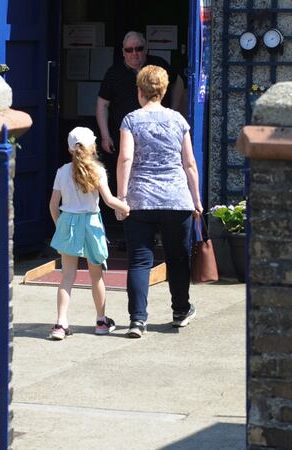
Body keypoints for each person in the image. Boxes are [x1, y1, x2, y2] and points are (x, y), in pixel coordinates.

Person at [116, 65, 203, 338]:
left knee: (140, 261)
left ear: (140, 90)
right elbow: (189, 163)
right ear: (164, 91)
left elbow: (126, 158)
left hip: (140, 199)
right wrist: (197, 200)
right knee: (178, 258)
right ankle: (180, 311)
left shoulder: (131, 120)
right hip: (176, 198)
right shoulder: (178, 121)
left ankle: (137, 321)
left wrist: (121, 197)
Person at [48, 127, 130, 340]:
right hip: (92, 223)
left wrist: (60, 226)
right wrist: (125, 208)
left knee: (67, 276)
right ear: (93, 147)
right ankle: (101, 321)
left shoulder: (62, 171)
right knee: (96, 277)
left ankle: (60, 323)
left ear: (69, 148)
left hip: (68, 221)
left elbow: (53, 205)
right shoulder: (98, 170)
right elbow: (109, 200)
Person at [96, 31, 185, 206]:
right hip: (124, 134)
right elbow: (102, 105)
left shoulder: (158, 65)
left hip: (158, 134)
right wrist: (105, 136)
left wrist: (173, 110)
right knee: (125, 169)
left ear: (146, 49)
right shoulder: (114, 73)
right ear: (123, 52)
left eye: (139, 48)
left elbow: (179, 81)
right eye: (129, 50)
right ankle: (123, 210)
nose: (134, 53)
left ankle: (155, 212)